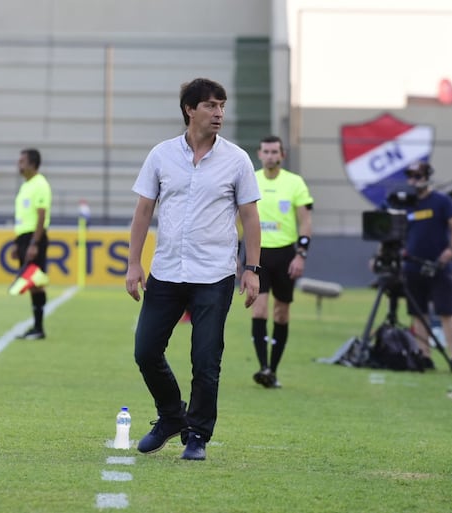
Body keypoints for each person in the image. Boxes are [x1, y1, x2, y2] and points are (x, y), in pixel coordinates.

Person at [126, 78, 261, 461]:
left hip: (214, 276)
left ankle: (198, 435)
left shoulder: (237, 159)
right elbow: (143, 212)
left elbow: (250, 218)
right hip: (166, 272)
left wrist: (251, 269)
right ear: (190, 109)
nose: (219, 113)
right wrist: (134, 264)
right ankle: (171, 416)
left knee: (205, 361)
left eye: (222, 106)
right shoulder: (161, 155)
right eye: (211, 106)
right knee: (146, 351)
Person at [249, 135, 313, 389]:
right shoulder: (251, 179)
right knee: (259, 309)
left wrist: (301, 254)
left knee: (281, 312)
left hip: (286, 254)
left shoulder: (295, 183)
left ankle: (272, 369)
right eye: (266, 151)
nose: (271, 156)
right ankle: (263, 366)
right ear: (259, 154)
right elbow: (238, 215)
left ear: (282, 155)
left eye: (275, 151)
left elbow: (306, 221)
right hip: (259, 253)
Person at [401, 161, 452, 373]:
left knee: (446, 311)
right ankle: (424, 355)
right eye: (410, 175)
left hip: (438, 265)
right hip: (412, 266)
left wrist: (450, 251)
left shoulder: (441, 201)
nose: (413, 180)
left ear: (427, 176)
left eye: (418, 175)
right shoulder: (406, 203)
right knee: (418, 313)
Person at [11, 148, 52, 340]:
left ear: (32, 164)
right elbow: (24, 217)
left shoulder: (40, 184)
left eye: (22, 162)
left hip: (34, 238)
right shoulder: (26, 186)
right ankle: (36, 327)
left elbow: (41, 216)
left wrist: (34, 243)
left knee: (35, 282)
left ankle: (38, 327)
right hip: (24, 238)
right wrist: (16, 242)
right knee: (32, 281)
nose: (19, 166)